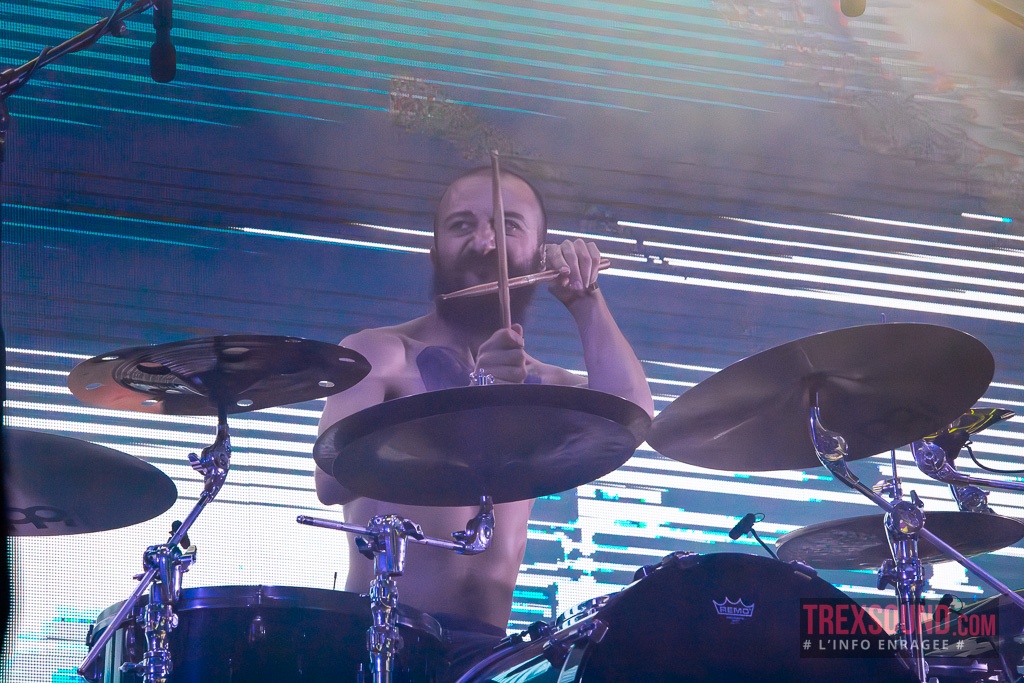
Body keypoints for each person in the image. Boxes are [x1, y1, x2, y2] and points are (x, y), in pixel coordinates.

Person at [315, 166, 653, 679]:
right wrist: (478, 399)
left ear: (540, 255)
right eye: (461, 225)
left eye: (508, 225)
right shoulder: (380, 353)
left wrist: (585, 299)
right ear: (434, 252)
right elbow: (330, 479)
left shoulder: (543, 384)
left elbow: (632, 416)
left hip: (492, 657)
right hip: (380, 638)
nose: (484, 242)